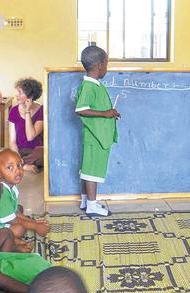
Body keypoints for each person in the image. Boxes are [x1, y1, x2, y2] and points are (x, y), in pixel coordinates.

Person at [75, 45, 119, 217]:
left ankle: (86, 200)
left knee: (88, 169)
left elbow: (97, 108)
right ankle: (92, 206)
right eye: (106, 64)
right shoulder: (89, 86)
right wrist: (106, 113)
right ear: (100, 65)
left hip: (99, 135)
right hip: (96, 136)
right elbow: (81, 109)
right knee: (92, 171)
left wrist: (111, 113)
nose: (106, 68)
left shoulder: (95, 84)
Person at [0, 149, 49, 239]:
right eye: (10, 168)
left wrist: (33, 222)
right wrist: (35, 226)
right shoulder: (2, 192)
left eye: (19, 165)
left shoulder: (12, 186)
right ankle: (13, 243)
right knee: (20, 229)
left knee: (19, 208)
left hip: (7, 217)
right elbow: (12, 219)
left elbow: (15, 211)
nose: (17, 171)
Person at [8, 78, 44, 173]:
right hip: (20, 151)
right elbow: (12, 141)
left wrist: (27, 111)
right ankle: (23, 164)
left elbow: (30, 136)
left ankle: (19, 164)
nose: (17, 95)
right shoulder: (14, 110)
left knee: (43, 153)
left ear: (30, 96)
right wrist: (18, 158)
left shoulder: (41, 110)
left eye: (20, 93)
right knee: (5, 154)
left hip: (36, 151)